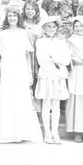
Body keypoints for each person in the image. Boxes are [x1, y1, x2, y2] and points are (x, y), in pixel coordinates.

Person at [0, 6, 42, 143]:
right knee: (7, 98)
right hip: (7, 67)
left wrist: (28, 72)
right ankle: (8, 133)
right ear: (6, 18)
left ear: (18, 17)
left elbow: (28, 55)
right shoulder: (1, 34)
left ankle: (23, 132)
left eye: (15, 16)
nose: (12, 18)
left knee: (21, 98)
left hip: (20, 67)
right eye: (10, 16)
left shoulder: (23, 33)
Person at [35, 16, 71, 144]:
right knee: (46, 104)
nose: (51, 29)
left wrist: (55, 57)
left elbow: (66, 59)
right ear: (44, 27)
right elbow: (42, 60)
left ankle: (55, 132)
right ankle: (47, 132)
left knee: (56, 105)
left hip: (59, 76)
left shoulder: (61, 41)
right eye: (49, 26)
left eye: (54, 27)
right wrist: (57, 57)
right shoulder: (40, 42)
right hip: (46, 75)